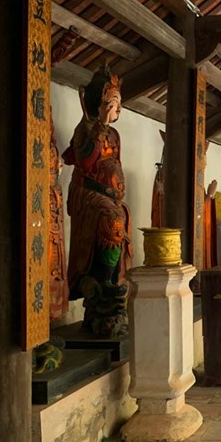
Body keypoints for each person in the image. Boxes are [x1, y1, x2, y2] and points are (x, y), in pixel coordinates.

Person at [62, 65, 132, 337]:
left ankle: (111, 280)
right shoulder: (86, 129)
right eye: (111, 104)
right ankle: (101, 281)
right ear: (97, 104)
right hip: (88, 195)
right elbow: (86, 160)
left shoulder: (114, 134)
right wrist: (100, 124)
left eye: (118, 105)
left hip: (108, 197)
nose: (116, 110)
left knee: (119, 221)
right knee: (112, 221)